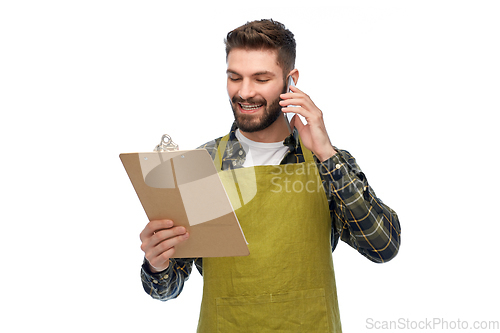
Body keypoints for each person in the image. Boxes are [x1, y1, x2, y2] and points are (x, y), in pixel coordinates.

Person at [139, 19, 401, 332]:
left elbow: (383, 246)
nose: (244, 92)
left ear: (291, 81)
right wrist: (158, 263)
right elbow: (166, 288)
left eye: (261, 79)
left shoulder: (325, 163)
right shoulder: (203, 166)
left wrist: (328, 154)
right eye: (235, 78)